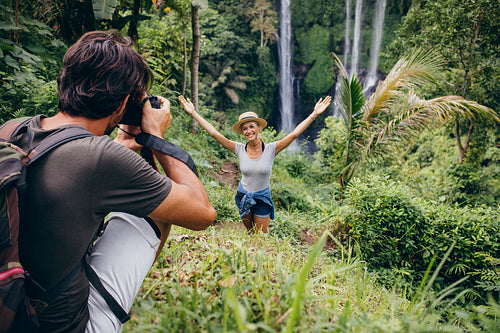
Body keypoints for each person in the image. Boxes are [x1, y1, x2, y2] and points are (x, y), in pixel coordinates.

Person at [6, 30, 216, 332]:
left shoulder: (12, 130)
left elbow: (76, 163)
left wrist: (122, 139)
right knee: (154, 211)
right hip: (63, 326)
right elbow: (202, 213)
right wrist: (154, 138)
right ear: (122, 105)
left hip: (10, 306)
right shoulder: (100, 159)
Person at [179, 95, 331, 234]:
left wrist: (314, 114)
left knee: (261, 236)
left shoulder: (271, 149)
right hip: (243, 195)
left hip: (262, 198)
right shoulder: (239, 149)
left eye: (251, 126)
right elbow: (214, 133)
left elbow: (294, 134)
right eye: (244, 128)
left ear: (259, 127)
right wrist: (193, 113)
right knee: (251, 233)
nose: (248, 131)